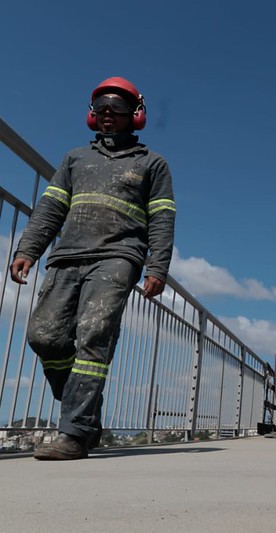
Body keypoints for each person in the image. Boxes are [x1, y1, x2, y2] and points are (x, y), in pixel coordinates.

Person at [9, 77, 176, 460]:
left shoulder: (152, 164)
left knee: (94, 335)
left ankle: (74, 433)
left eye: (117, 108)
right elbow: (50, 210)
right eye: (100, 107)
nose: (107, 115)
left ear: (135, 115)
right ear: (91, 113)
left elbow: (163, 220)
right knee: (44, 336)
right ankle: (86, 414)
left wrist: (158, 268)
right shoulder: (74, 160)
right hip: (67, 255)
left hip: (118, 257)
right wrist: (28, 249)